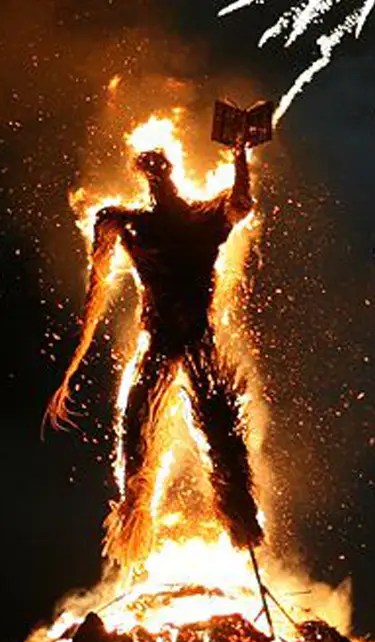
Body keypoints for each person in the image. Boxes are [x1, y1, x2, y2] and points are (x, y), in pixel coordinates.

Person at [45, 139, 262, 566]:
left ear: (169, 175)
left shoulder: (198, 219)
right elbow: (101, 262)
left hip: (195, 342)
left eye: (158, 172)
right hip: (163, 343)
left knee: (222, 439)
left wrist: (240, 155)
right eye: (151, 173)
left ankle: (241, 525)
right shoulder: (136, 226)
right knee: (138, 435)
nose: (156, 181)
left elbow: (240, 204)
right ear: (147, 179)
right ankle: (134, 535)